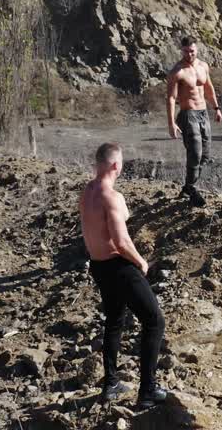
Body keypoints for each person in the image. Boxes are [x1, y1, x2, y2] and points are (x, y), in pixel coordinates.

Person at [80, 142, 167, 409]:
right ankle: (148, 391)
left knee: (114, 321)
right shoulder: (112, 197)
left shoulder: (87, 192)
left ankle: (111, 385)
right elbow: (121, 241)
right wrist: (141, 262)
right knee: (154, 321)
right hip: (119, 267)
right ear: (116, 165)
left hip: (98, 265)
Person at [166, 36, 222, 206]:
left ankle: (187, 187)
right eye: (186, 51)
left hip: (203, 113)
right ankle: (191, 189)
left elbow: (208, 88)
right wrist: (171, 123)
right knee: (195, 152)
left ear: (197, 50)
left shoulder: (203, 66)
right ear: (181, 51)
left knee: (205, 154)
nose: (189, 54)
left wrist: (217, 108)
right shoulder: (177, 71)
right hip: (187, 114)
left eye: (192, 51)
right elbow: (170, 98)